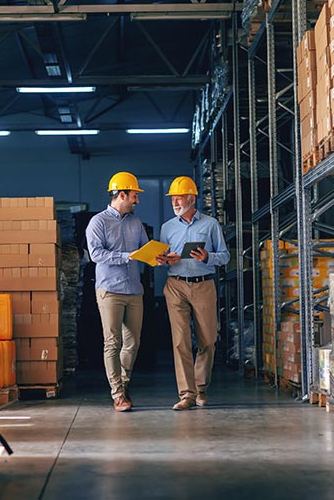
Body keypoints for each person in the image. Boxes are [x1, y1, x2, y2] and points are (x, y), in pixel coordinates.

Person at [155, 176, 229, 410]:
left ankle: (201, 389)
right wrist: (166, 260)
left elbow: (225, 256)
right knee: (180, 341)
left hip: (204, 284)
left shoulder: (210, 224)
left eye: (179, 198)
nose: (175, 202)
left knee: (208, 339)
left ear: (192, 198)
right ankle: (187, 394)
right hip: (175, 285)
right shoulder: (167, 228)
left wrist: (208, 257)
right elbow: (162, 258)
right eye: (173, 199)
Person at [85, 171, 150, 412]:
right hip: (110, 290)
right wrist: (126, 256)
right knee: (112, 342)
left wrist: (160, 256)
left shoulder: (136, 222)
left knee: (133, 342)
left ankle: (123, 383)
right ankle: (118, 394)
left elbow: (144, 250)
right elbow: (96, 255)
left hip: (134, 289)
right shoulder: (98, 222)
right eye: (134, 195)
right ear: (121, 194)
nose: (137, 200)